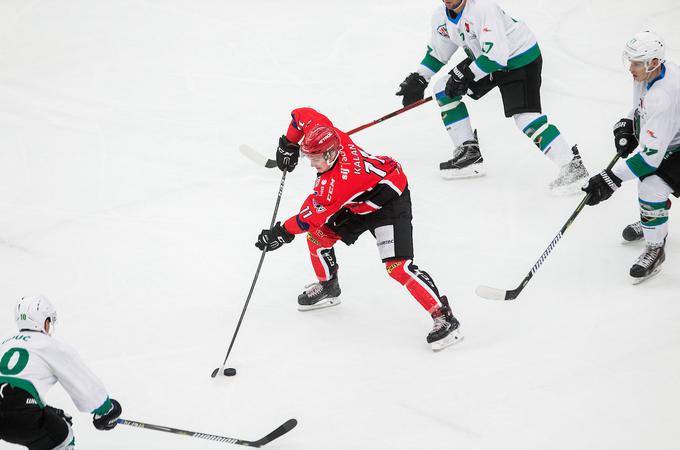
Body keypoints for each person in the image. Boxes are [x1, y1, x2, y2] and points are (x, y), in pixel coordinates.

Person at [264, 107, 462, 350]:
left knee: (397, 267)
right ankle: (329, 286)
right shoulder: (329, 134)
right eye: (309, 157)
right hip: (357, 202)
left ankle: (444, 317)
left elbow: (307, 219)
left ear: (330, 154)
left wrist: (280, 233)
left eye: (314, 158)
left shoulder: (336, 185)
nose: (311, 164)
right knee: (318, 239)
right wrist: (289, 144)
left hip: (389, 201)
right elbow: (300, 115)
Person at [395, 0, 589, 194]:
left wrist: (466, 75)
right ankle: (469, 153)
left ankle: (572, 165)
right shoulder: (441, 17)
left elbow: (497, 56)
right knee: (443, 90)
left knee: (525, 119)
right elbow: (438, 53)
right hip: (487, 60)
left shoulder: (483, 9)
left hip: (520, 59)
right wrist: (420, 78)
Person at [582, 31, 680, 283]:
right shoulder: (648, 73)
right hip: (670, 141)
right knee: (652, 189)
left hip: (674, 147)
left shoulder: (664, 96)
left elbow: (649, 159)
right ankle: (653, 219)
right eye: (631, 61)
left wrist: (609, 179)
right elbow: (640, 106)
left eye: (637, 63)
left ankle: (655, 248)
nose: (631, 68)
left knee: (650, 187)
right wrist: (627, 124)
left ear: (654, 62)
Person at [0, 295, 122, 449]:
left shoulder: (5, 344)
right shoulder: (49, 345)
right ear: (44, 321)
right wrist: (105, 409)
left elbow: (12, 390)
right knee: (62, 438)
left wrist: (46, 410)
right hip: (25, 417)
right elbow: (79, 380)